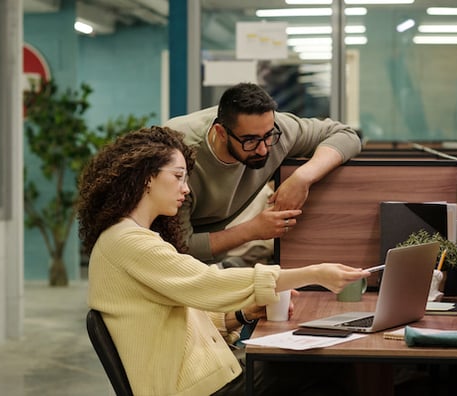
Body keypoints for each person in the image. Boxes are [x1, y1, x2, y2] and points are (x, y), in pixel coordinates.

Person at [77, 126, 370, 396]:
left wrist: (243, 314)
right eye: (178, 176)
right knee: (332, 364)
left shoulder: (135, 236)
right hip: (195, 388)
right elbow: (209, 284)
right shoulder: (128, 242)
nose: (186, 189)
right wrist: (314, 273)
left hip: (206, 375)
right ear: (146, 178)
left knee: (324, 364)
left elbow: (189, 314)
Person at [164, 82, 362, 264]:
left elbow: (345, 136)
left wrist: (303, 177)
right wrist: (253, 230)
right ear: (221, 133)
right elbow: (178, 247)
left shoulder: (277, 130)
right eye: (250, 140)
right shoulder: (177, 154)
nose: (263, 150)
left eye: (268, 136)